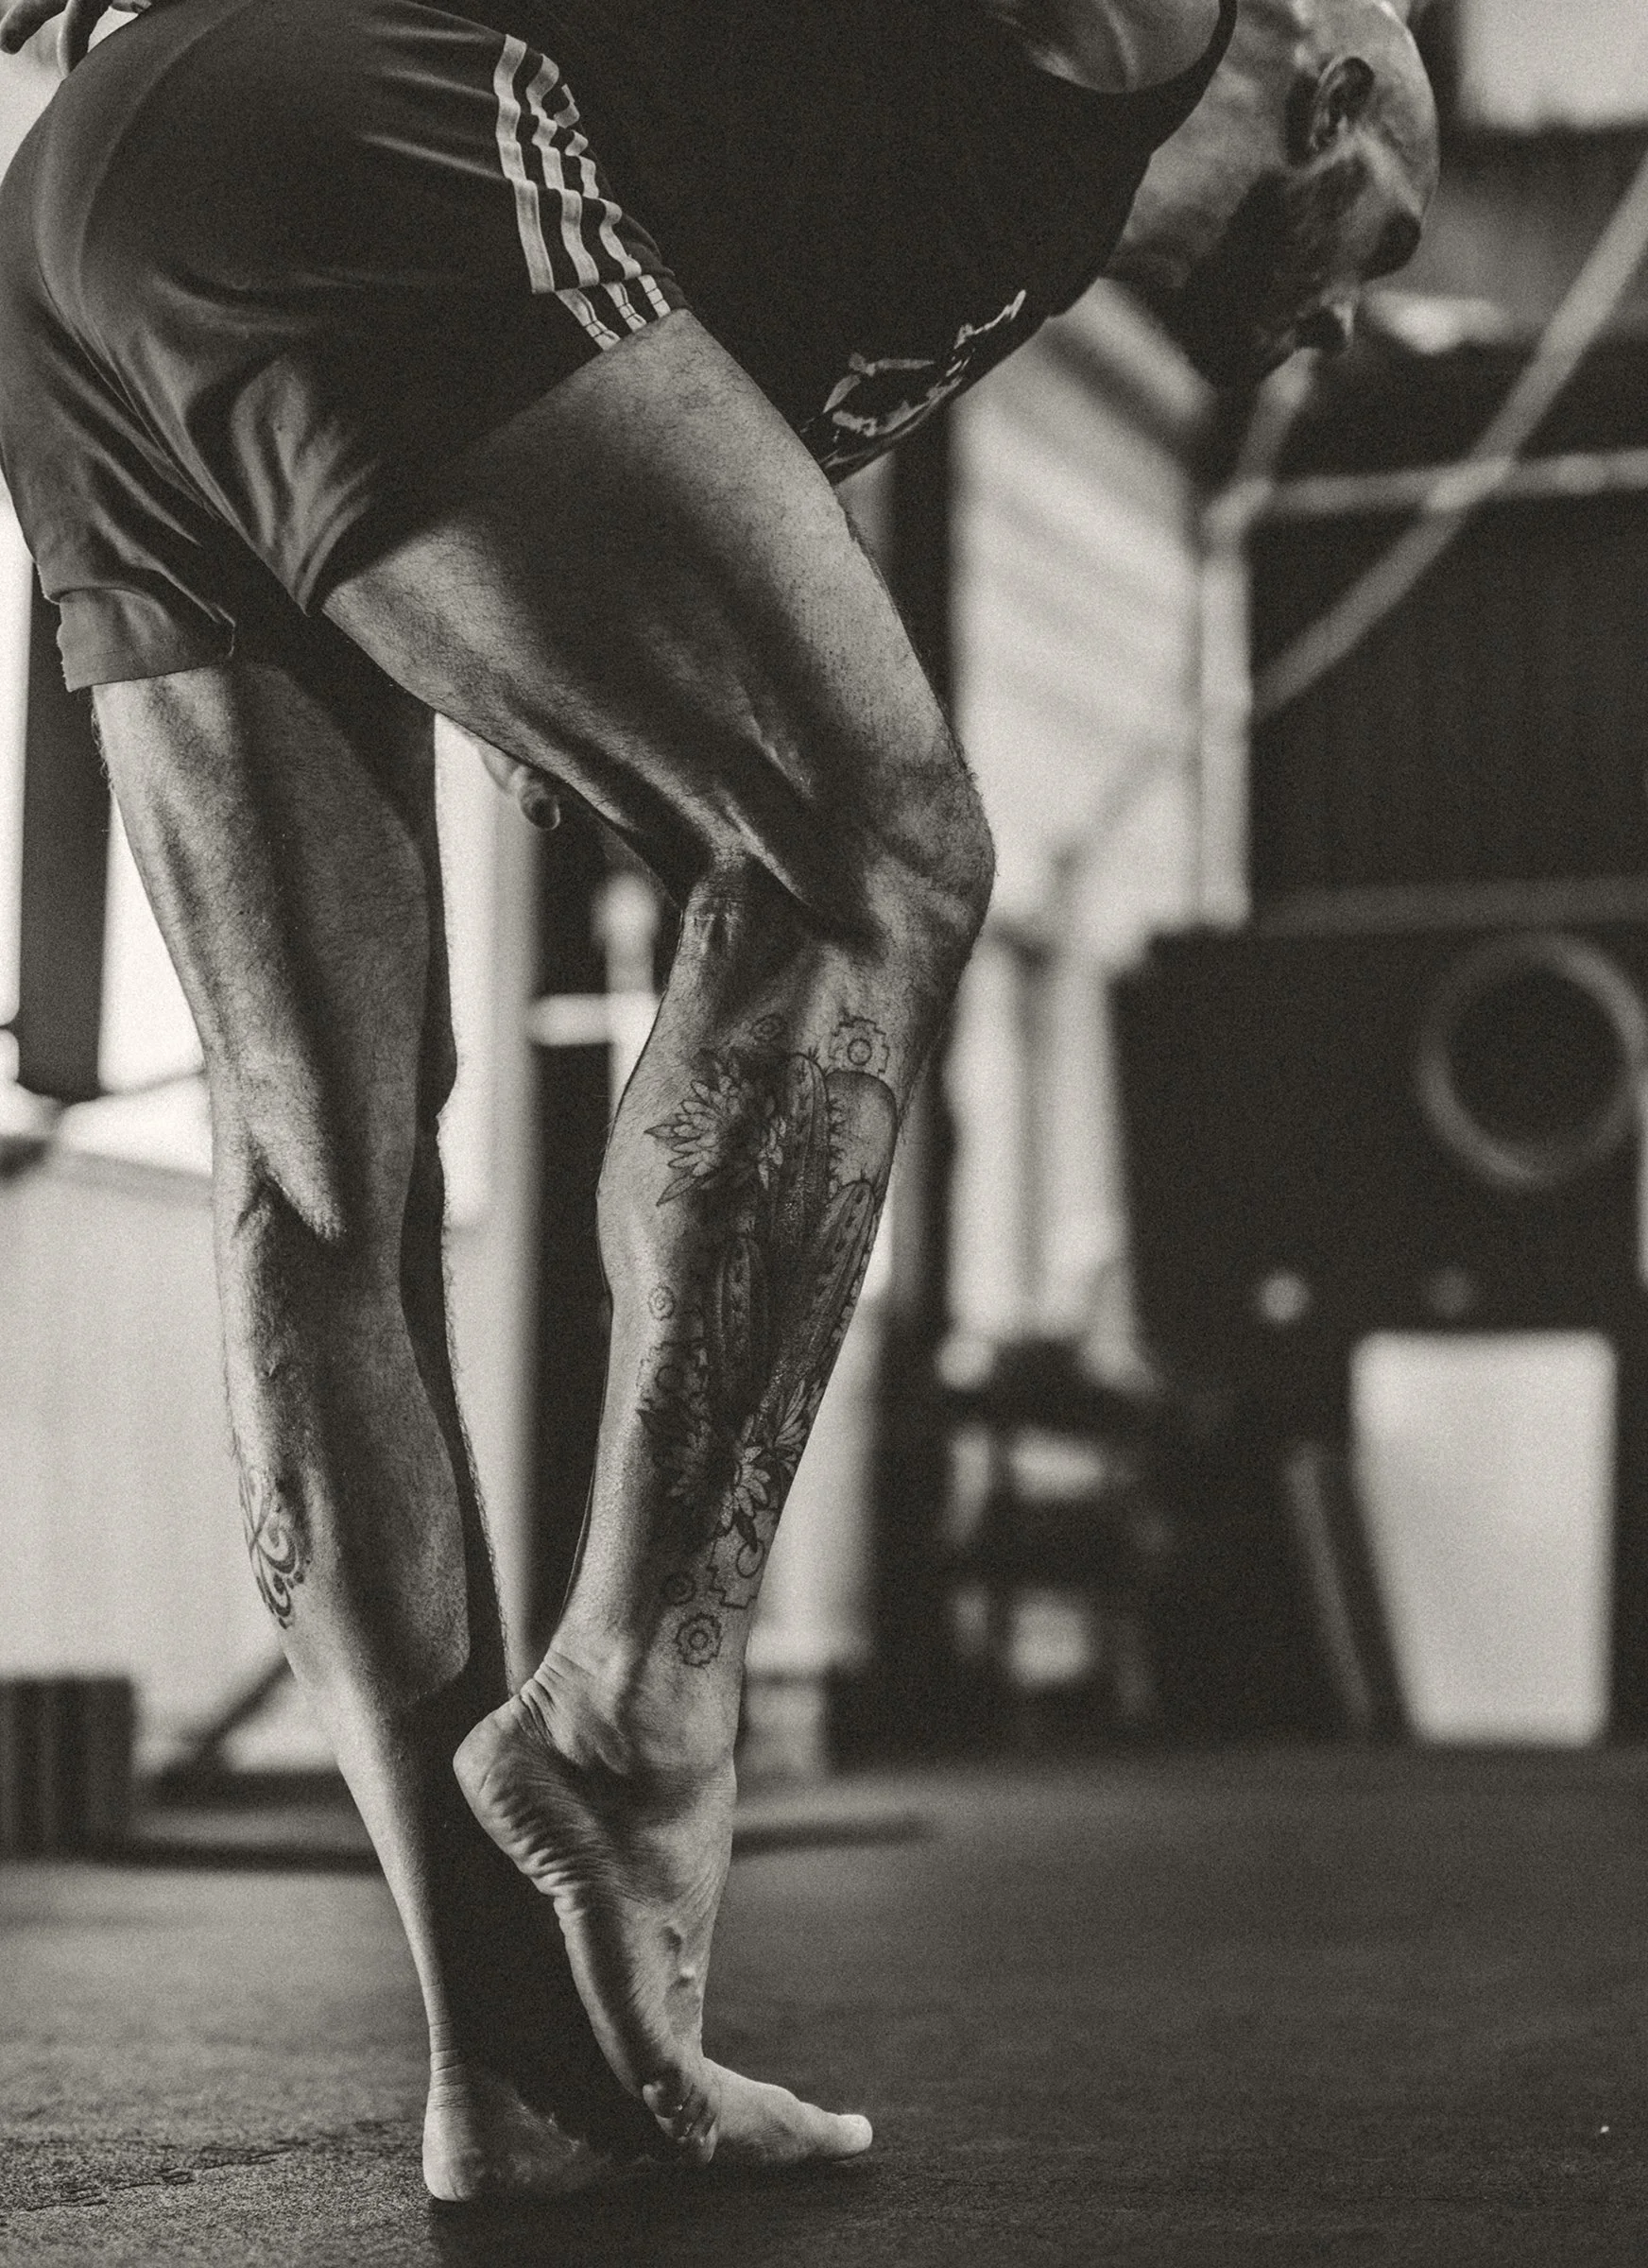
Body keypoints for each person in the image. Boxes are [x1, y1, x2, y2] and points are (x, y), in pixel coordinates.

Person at [0, 0, 1438, 2204]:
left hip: (92, 240)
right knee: (886, 850)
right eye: (1386, 233)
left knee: (316, 1183)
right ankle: (637, 1720)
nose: (1352, 312)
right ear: (1330, 84)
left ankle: (514, 2071)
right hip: (345, 127)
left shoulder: (926, 228)